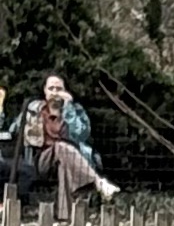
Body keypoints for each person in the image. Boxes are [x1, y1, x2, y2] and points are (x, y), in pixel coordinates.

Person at [13, 74, 119, 216]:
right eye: (51, 88)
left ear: (66, 92)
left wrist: (69, 109)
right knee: (60, 147)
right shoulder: (33, 109)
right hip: (40, 161)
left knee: (65, 161)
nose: (55, 92)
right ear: (45, 91)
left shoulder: (76, 110)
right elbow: (14, 131)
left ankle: (65, 217)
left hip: (72, 160)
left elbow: (81, 136)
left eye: (59, 88)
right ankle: (98, 182)